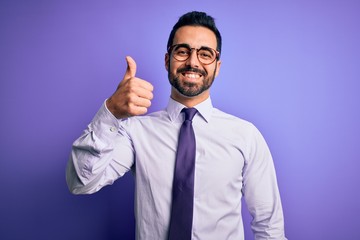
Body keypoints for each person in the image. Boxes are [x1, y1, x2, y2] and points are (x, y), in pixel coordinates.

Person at [66, 11, 287, 240]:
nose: (193, 62)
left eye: (205, 54)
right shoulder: (135, 132)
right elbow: (80, 183)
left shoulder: (246, 136)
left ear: (217, 67)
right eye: (182, 51)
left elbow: (269, 227)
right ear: (167, 60)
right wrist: (110, 111)